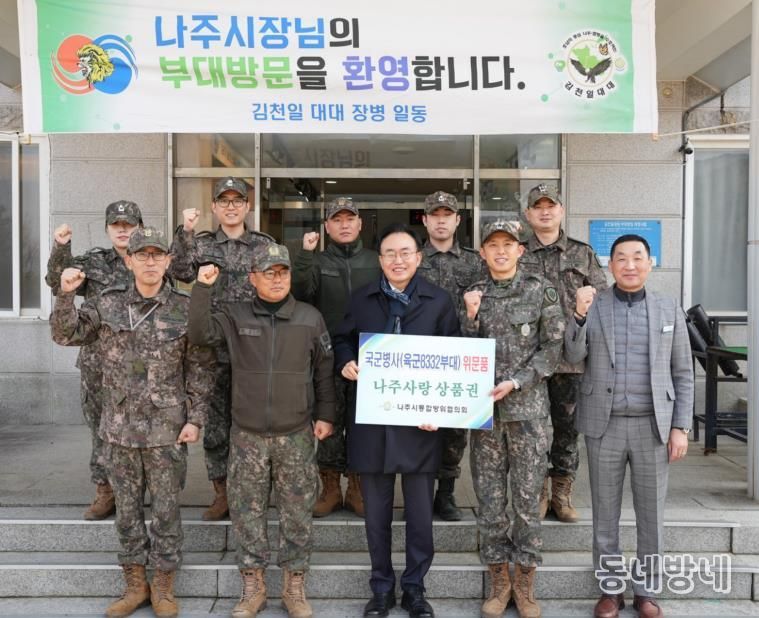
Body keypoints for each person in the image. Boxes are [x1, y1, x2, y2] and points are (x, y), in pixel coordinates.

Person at [50, 227, 213, 618]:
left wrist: (196, 418)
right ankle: (135, 585)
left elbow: (200, 367)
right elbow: (66, 334)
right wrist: (65, 295)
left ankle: (163, 586)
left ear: (169, 261)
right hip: (119, 430)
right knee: (126, 512)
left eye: (158, 255)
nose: (151, 262)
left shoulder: (185, 307)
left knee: (166, 512)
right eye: (143, 255)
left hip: (166, 432)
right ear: (129, 261)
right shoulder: (107, 303)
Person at [188, 243, 335, 618]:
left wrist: (326, 415)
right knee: (247, 512)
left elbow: (324, 370)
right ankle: (253, 586)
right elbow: (200, 334)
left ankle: (294, 585)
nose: (277, 279)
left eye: (283, 272)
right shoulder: (235, 315)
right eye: (269, 273)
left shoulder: (309, 318)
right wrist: (202, 288)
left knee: (297, 512)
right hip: (248, 435)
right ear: (253, 278)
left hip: (296, 434)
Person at [334, 223, 460, 618]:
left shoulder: (439, 301)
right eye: (390, 253)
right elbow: (341, 338)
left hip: (421, 424)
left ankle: (415, 589)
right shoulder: (362, 298)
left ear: (419, 258)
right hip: (373, 423)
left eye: (406, 252)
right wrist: (346, 361)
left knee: (420, 516)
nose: (398, 260)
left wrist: (440, 410)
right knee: (376, 516)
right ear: (380, 259)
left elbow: (453, 357)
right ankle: (382, 589)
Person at [564, 234, 693, 618]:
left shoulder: (669, 309)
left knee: (651, 514)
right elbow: (572, 355)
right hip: (604, 426)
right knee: (605, 513)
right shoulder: (595, 305)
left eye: (638, 257)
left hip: (653, 427)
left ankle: (647, 591)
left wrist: (681, 427)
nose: (630, 265)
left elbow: (683, 373)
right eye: (622, 258)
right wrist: (578, 315)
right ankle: (610, 590)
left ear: (650, 264)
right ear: (611, 265)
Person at [462, 219, 564, 618]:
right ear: (482, 252)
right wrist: (471, 316)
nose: (501, 251)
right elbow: (459, 353)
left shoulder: (540, 290)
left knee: (526, 501)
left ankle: (524, 582)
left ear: (521, 250)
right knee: (490, 502)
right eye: (493, 245)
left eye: (508, 244)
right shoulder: (472, 292)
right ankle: (499, 580)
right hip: (484, 415)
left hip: (528, 415)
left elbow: (553, 348)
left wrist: (517, 381)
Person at [168, 176, 274, 521]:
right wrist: (185, 231)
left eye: (237, 200)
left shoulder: (263, 246)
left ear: (247, 206)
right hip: (212, 350)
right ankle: (222, 493)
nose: (231, 207)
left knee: (252, 424)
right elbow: (180, 271)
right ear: (214, 207)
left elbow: (276, 286)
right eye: (224, 201)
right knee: (215, 427)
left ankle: (251, 491)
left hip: (251, 349)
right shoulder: (200, 244)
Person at [45, 200, 143, 520]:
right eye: (116, 225)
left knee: (141, 427)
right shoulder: (95, 262)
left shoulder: (151, 258)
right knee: (101, 428)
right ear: (107, 229)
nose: (122, 230)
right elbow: (57, 280)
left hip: (141, 363)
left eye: (129, 225)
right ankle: (105, 491)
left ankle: (135, 490)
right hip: (98, 362)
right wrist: (61, 247)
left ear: (139, 227)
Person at [520, 183, 608, 523]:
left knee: (568, 430)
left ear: (561, 210)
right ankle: (538, 492)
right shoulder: (518, 252)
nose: (545, 212)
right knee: (532, 430)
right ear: (528, 214)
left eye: (550, 206)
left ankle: (562, 493)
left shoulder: (582, 253)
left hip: (571, 361)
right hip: (529, 360)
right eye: (537, 207)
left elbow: (601, 300)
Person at [292, 196, 380, 518]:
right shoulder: (317, 261)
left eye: (349, 219)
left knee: (363, 424)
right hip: (326, 356)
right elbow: (301, 294)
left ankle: (357, 487)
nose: (344, 225)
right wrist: (305, 255)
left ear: (360, 224)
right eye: (337, 220)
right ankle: (329, 488)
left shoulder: (375, 261)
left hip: (368, 357)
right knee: (328, 421)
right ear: (327, 227)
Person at [418, 190, 485, 521]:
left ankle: (445, 494)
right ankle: (419, 493)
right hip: (421, 358)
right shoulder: (413, 258)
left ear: (458, 220)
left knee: (455, 432)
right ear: (425, 220)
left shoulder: (476, 262)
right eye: (435, 215)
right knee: (419, 427)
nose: (441, 220)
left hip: (462, 357)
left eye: (447, 215)